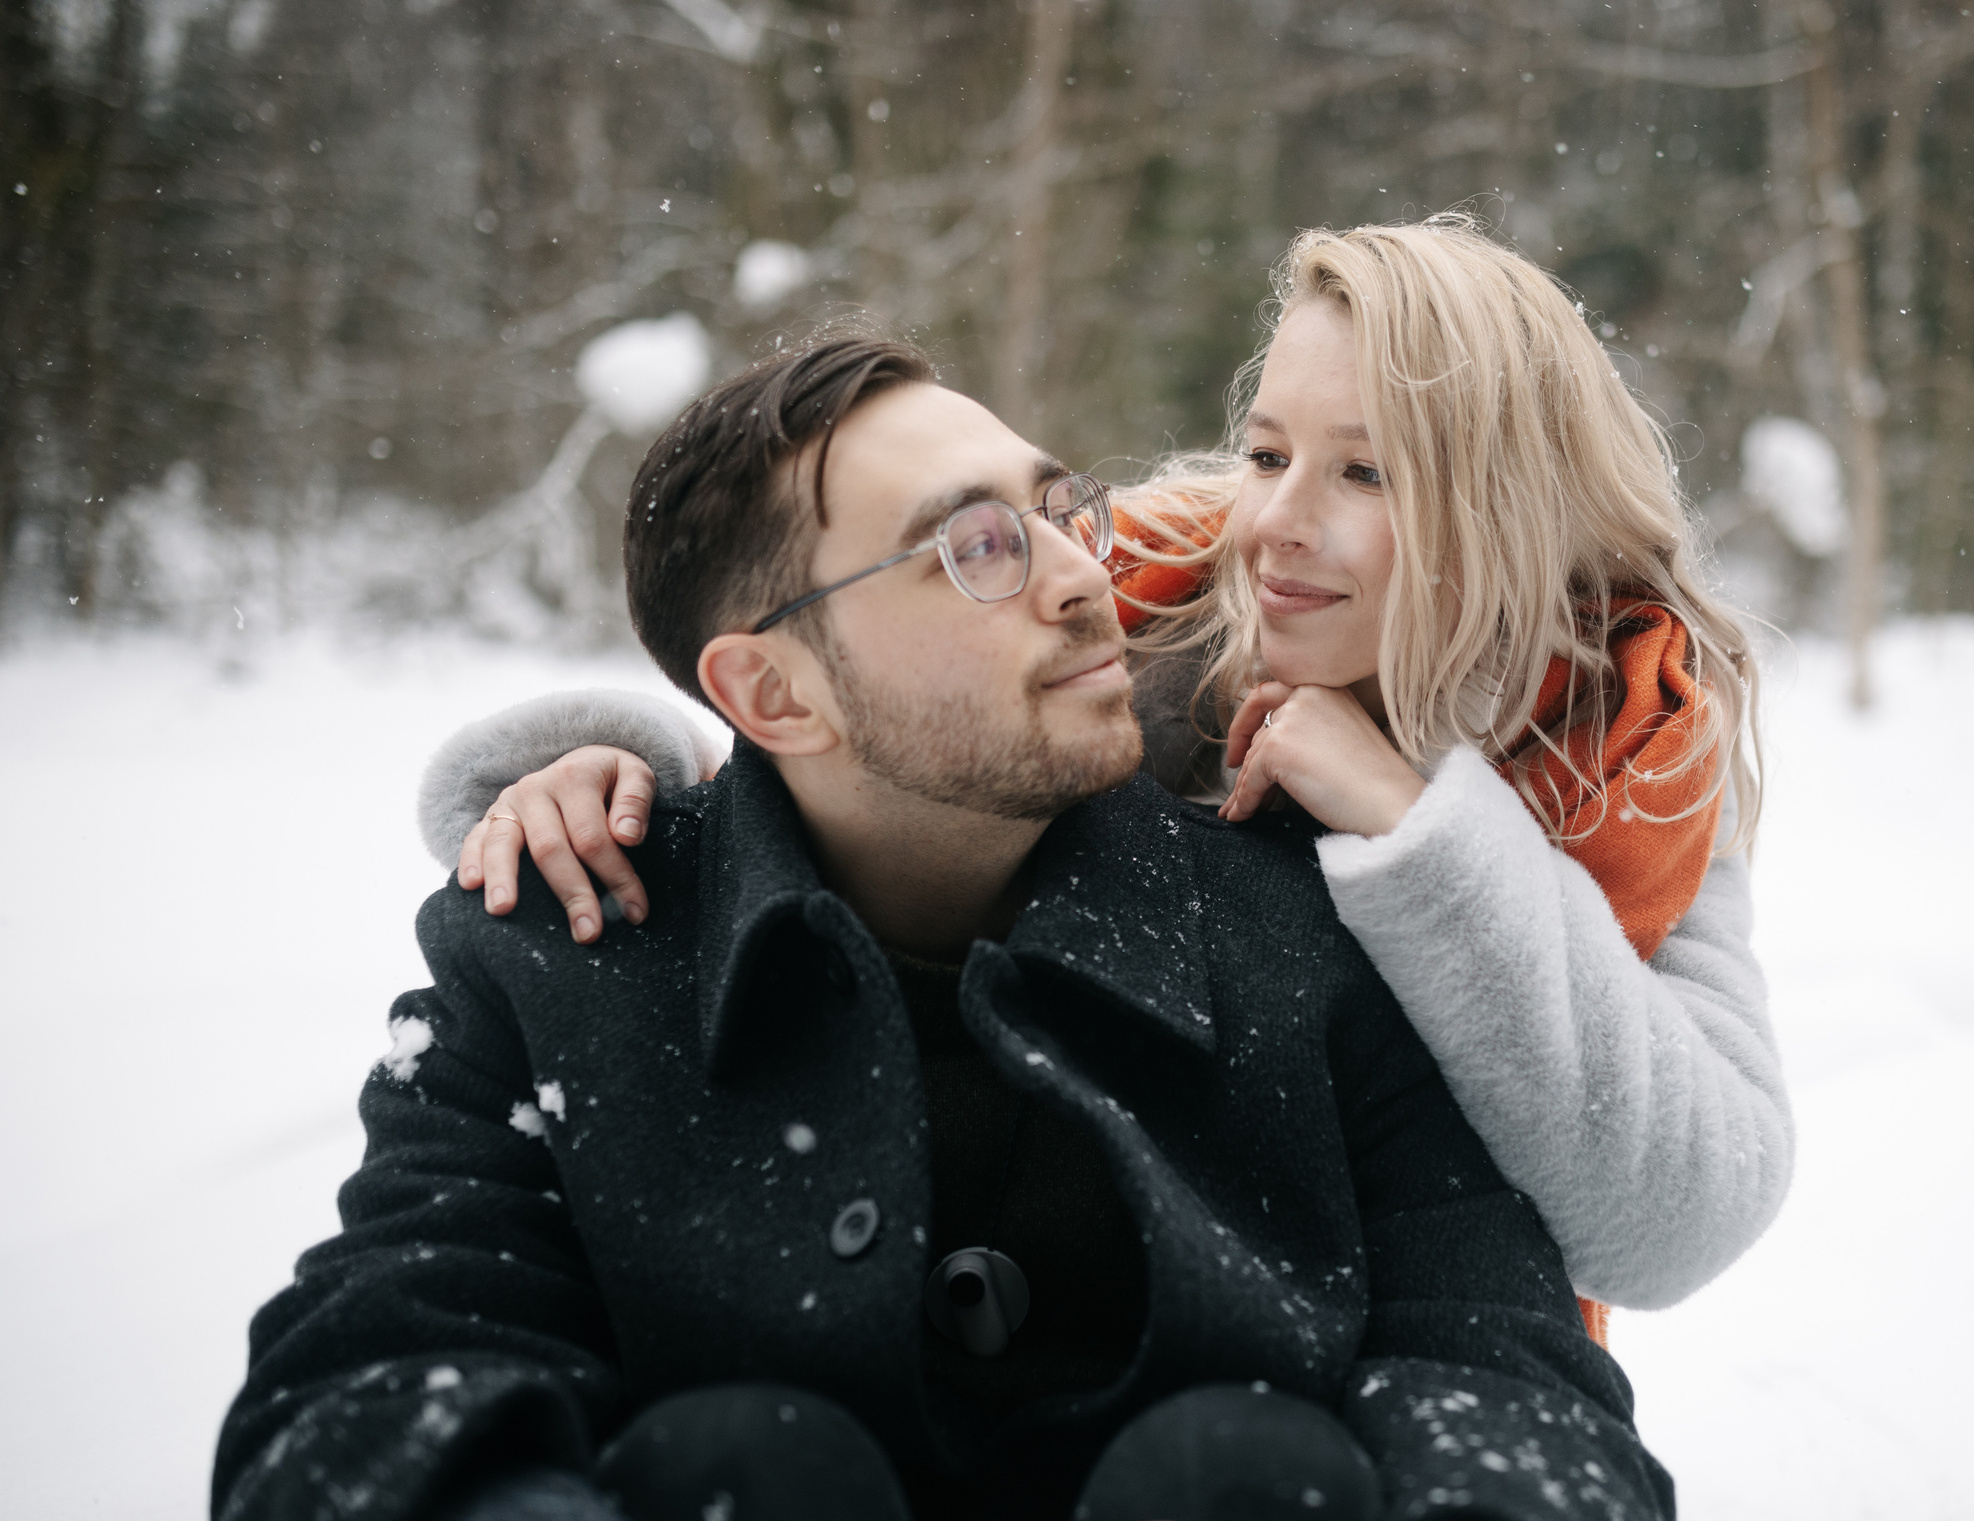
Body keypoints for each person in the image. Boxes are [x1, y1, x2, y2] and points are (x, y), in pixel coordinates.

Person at [209, 329, 1673, 1521]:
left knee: (1246, 1471)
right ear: (774, 691)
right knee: (732, 1463)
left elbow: (1530, 1406)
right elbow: (356, 1406)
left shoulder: (1314, 932)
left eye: (1059, 511)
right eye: (974, 548)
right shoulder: (562, 953)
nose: (1083, 578)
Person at [431, 216, 1793, 1329]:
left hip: (1427, 1346)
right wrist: (626, 783)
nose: (1275, 524)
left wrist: (1421, 828)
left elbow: (1678, 1217)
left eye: (1368, 474)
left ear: (1510, 502)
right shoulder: (1137, 599)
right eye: (1268, 453)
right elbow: (854, 696)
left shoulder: (1630, 753)